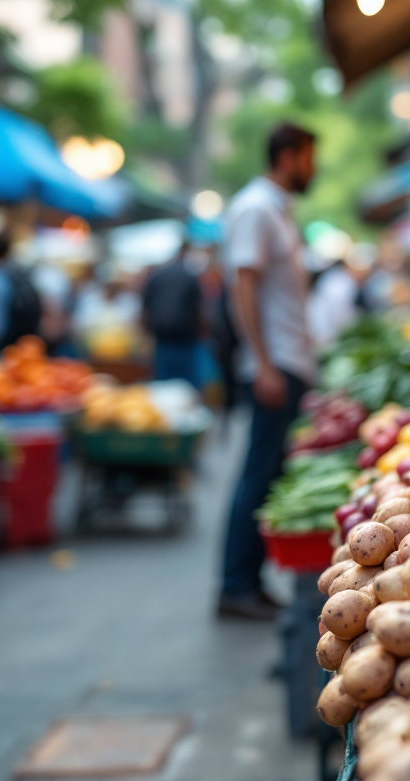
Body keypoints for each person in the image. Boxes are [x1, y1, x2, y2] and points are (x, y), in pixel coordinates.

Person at [218, 123, 317, 620]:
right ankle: (236, 585)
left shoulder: (276, 211)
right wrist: (262, 363)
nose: (314, 169)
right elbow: (243, 286)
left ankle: (247, 583)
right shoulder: (256, 209)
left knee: (267, 472)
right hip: (274, 364)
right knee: (258, 474)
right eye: (310, 158)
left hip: (286, 361)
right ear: (289, 157)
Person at [142, 241, 205, 389]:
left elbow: (145, 309)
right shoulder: (190, 276)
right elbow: (199, 310)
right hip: (186, 340)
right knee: (188, 386)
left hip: (162, 340)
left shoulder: (156, 276)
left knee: (164, 385)